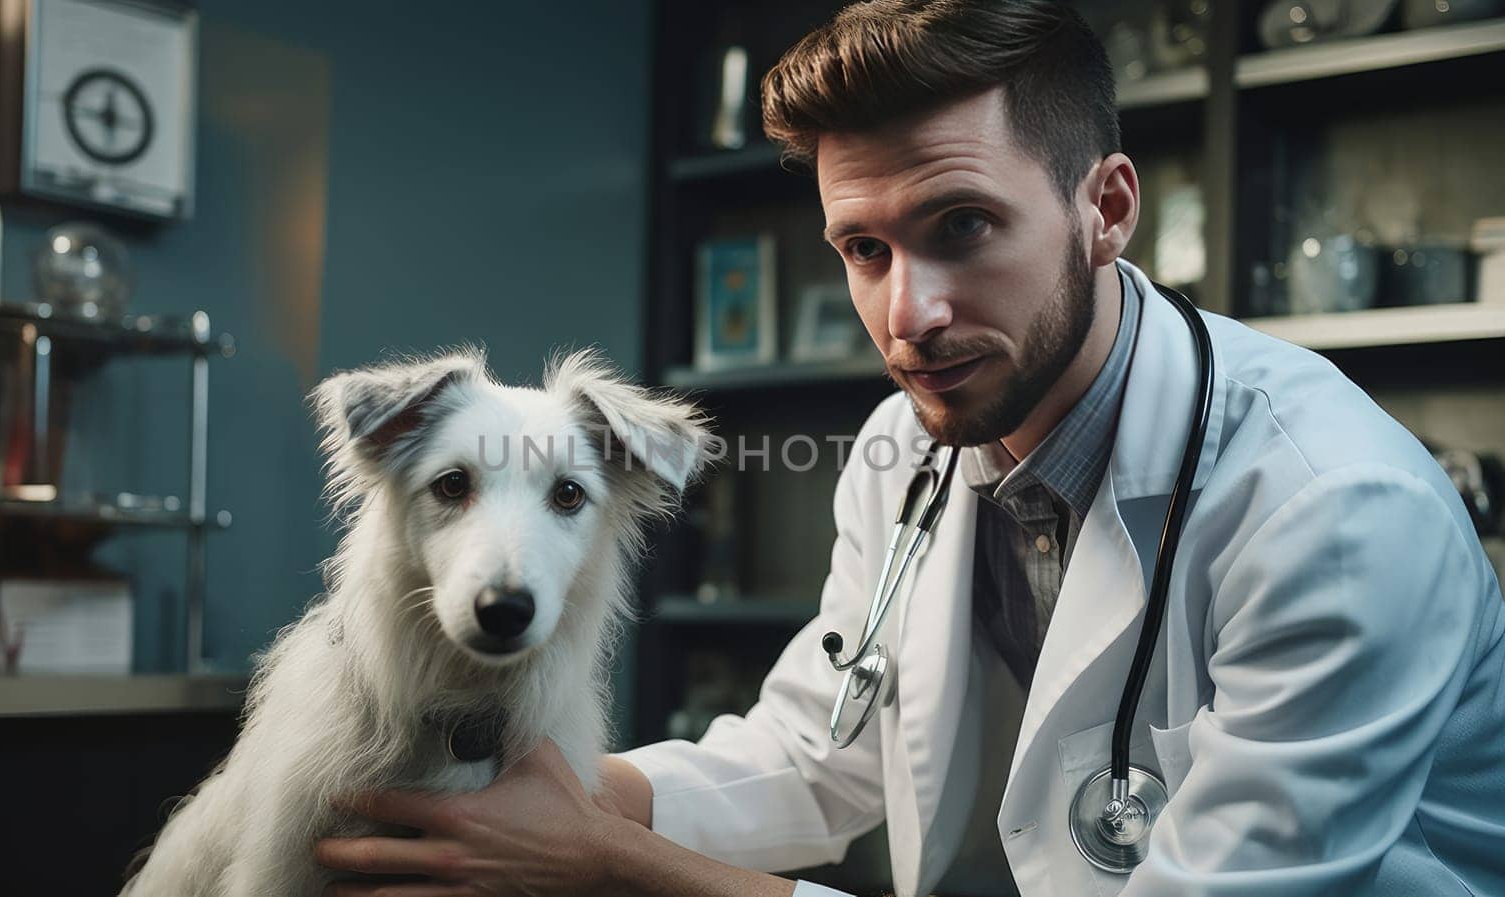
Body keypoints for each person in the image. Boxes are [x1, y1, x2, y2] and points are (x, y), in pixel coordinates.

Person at [313, 2, 1505, 895]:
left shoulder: (1331, 510)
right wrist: (557, 796)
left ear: (1107, 208)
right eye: (864, 249)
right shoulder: (911, 447)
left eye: (960, 227)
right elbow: (819, 755)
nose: (906, 314)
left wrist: (608, 865)